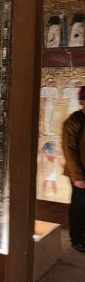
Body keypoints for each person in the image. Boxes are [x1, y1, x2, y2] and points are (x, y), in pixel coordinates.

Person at [62, 85, 85, 252]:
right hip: (80, 173)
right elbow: (69, 149)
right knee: (80, 207)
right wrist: (78, 176)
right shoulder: (75, 121)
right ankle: (77, 240)